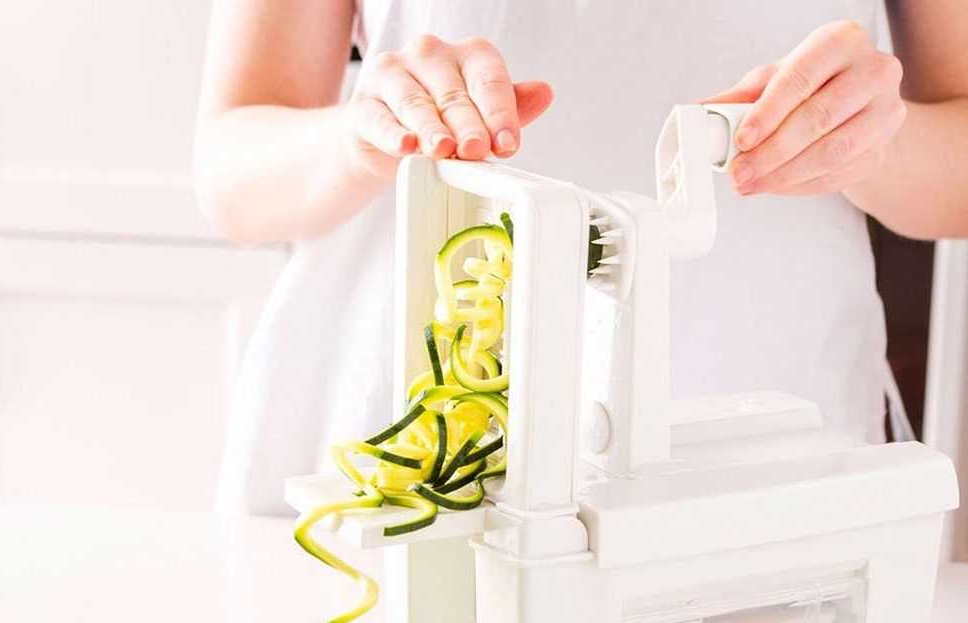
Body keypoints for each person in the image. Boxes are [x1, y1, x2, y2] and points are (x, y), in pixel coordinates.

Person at [195, 1, 968, 515]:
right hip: (406, 428)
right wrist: (359, 136)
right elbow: (230, 171)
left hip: (770, 444)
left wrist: (871, 140)